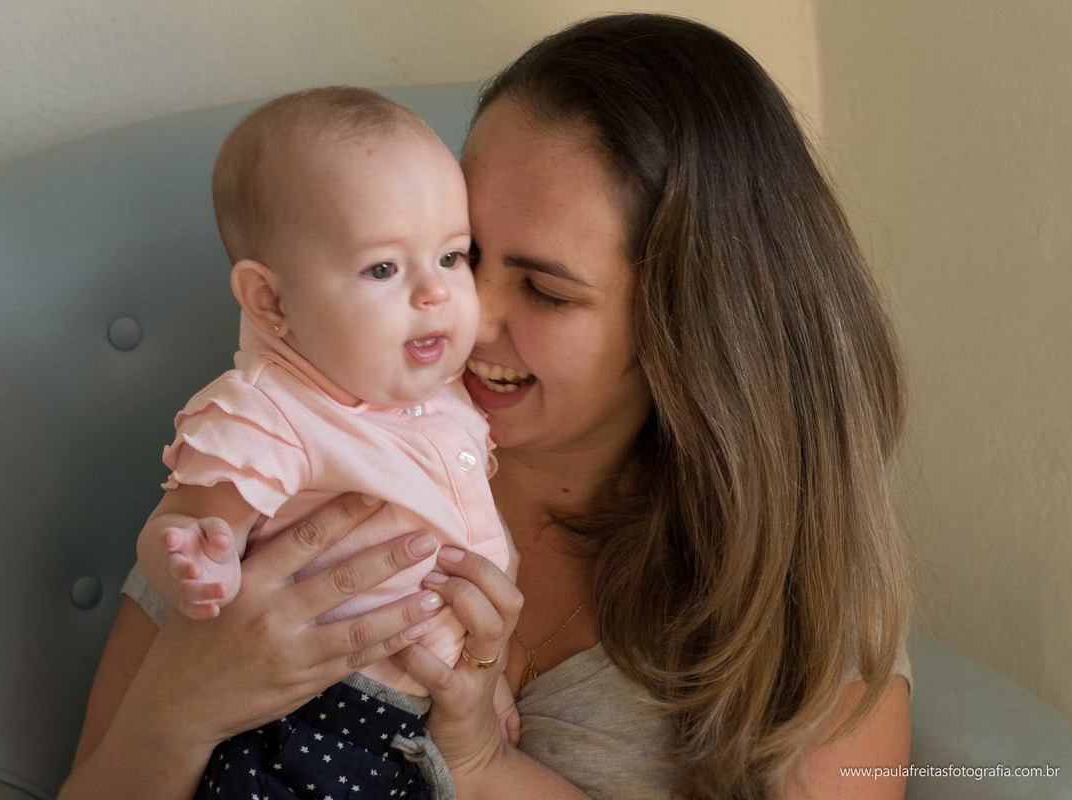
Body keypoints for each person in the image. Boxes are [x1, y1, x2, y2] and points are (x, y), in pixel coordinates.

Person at [62, 13, 911, 800]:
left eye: (544, 289)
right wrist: (175, 713)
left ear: (699, 323)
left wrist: (481, 764)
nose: (461, 320)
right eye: (464, 254)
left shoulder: (796, 595)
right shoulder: (303, 448)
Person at [131, 86, 513, 799]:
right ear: (271, 302)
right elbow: (181, 523)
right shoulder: (271, 413)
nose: (434, 293)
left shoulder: (443, 398)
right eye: (383, 269)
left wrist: (489, 698)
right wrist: (194, 562)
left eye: (453, 257)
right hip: (304, 723)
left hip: (416, 728)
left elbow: (472, 559)